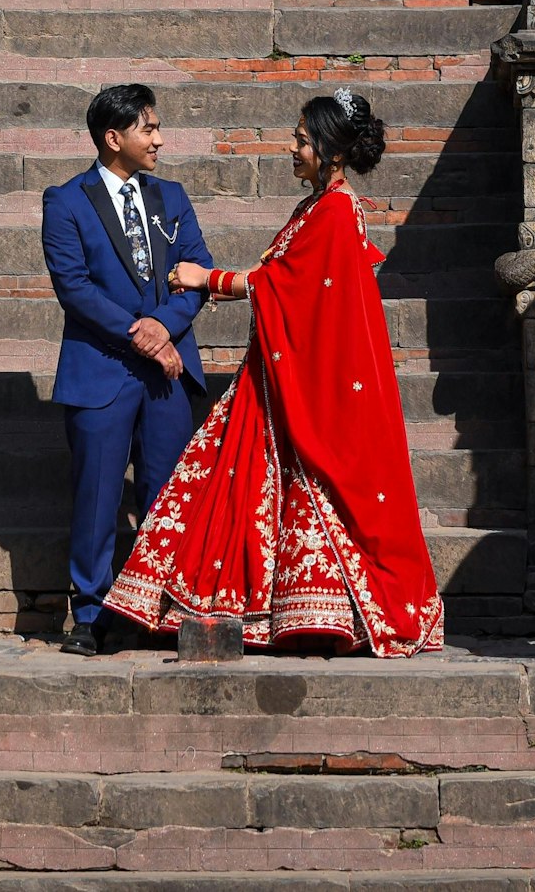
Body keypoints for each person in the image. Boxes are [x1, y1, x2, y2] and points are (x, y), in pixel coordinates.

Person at [105, 90, 445, 657]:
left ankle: (322, 618)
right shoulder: (316, 206)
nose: (293, 148)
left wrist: (204, 278)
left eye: (303, 141)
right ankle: (258, 612)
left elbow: (285, 286)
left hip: (314, 379)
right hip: (279, 371)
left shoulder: (336, 212)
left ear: (331, 152)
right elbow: (284, 277)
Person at [40, 85, 213, 655]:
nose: (159, 139)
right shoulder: (65, 202)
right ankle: (90, 615)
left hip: (168, 374)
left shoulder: (171, 196)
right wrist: (142, 334)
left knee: (168, 496)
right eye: (149, 129)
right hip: (103, 370)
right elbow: (76, 289)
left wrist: (166, 327)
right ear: (114, 139)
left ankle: (161, 607)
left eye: (158, 127)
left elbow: (199, 269)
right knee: (97, 495)